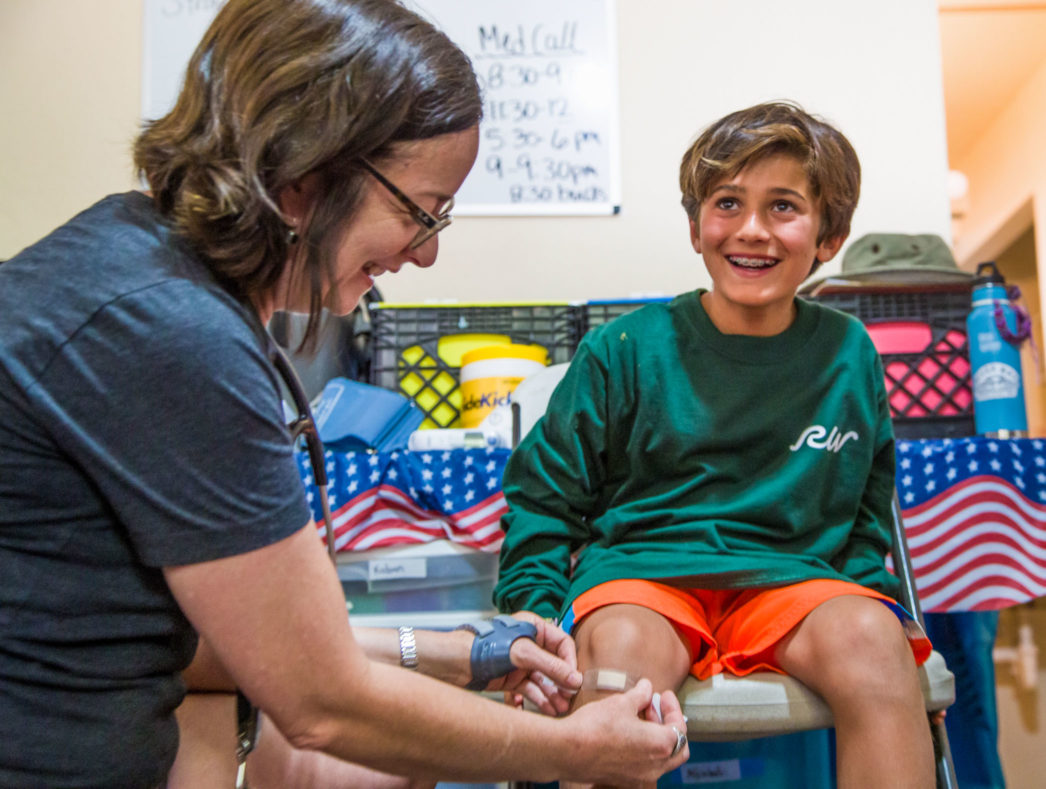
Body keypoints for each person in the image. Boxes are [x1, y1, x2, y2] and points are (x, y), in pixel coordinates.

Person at [0, 1, 690, 787]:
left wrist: (463, 650)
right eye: (417, 213)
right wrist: (578, 749)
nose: (425, 254)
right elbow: (320, 700)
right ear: (303, 176)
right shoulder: (169, 334)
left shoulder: (131, 261)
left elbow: (234, 635)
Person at [494, 101, 937, 789]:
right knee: (619, 655)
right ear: (697, 225)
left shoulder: (849, 352)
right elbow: (544, 497)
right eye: (728, 202)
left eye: (783, 206)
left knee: (876, 643)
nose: (752, 230)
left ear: (829, 235)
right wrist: (529, 607)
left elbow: (865, 505)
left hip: (792, 581)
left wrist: (863, 598)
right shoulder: (624, 348)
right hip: (645, 576)